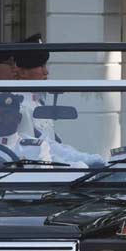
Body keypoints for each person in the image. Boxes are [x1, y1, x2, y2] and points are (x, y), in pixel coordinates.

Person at [15, 33, 105, 168]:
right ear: (22, 72)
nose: (46, 72)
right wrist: (76, 164)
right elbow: (36, 151)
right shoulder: (19, 106)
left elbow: (54, 144)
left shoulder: (37, 101)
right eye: (40, 67)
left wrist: (84, 157)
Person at [0, 93, 52, 162]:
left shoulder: (36, 149)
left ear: (18, 118)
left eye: (6, 115)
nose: (0, 120)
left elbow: (43, 178)